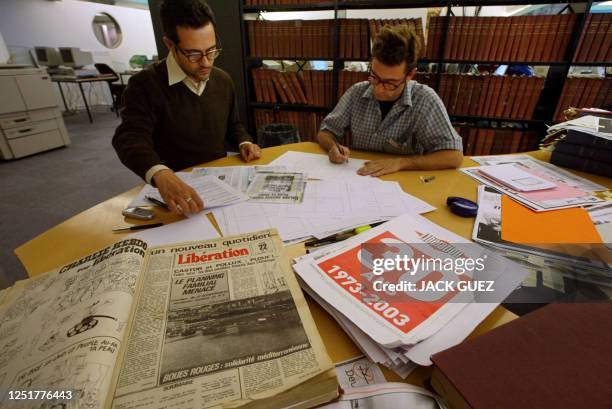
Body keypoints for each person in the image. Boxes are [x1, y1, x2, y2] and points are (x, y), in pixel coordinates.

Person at [113, 0, 261, 214]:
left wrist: (244, 141)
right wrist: (160, 174)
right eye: (193, 54)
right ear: (170, 44)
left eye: (211, 50)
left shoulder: (223, 80)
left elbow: (234, 125)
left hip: (219, 184)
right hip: (174, 191)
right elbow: (129, 138)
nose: (206, 63)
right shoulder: (144, 85)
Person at [317, 25, 463, 177]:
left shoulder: (425, 100)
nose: (379, 89)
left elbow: (454, 156)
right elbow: (326, 132)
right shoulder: (357, 92)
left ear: (410, 75)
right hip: (358, 176)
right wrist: (332, 146)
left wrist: (401, 162)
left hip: (404, 181)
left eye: (390, 83)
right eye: (374, 77)